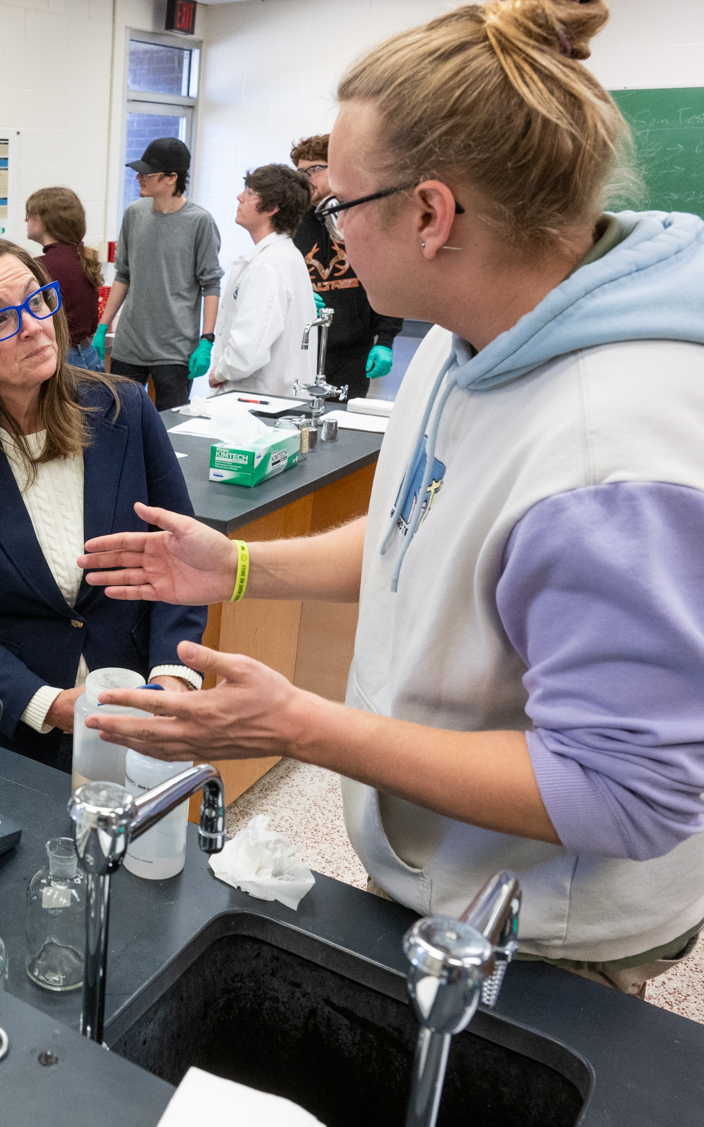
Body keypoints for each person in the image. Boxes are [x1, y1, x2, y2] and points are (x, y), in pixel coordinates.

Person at [77, 0, 704, 996]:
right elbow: (427, 529)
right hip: (437, 875)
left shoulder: (609, 452)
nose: (333, 236)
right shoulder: (472, 337)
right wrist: (241, 564)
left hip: (542, 932)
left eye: (340, 206)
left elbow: (626, 791)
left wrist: (301, 725)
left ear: (429, 213)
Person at [0, 236, 207, 770]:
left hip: (137, 704)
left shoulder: (124, 410)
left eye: (36, 299)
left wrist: (172, 675)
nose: (33, 325)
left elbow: (180, 554)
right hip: (7, 725)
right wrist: (47, 704)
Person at [96, 137, 222, 406]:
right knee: (119, 419)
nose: (139, 177)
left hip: (174, 350)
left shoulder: (200, 221)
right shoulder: (134, 213)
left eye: (146, 173)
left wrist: (206, 341)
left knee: (169, 430)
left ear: (171, 178)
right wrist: (103, 325)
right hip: (129, 344)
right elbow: (123, 274)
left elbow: (211, 284)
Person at [291, 133, 405, 400]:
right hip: (304, 350)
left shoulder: (363, 217)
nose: (305, 178)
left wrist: (386, 341)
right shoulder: (293, 222)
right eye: (300, 172)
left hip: (353, 350)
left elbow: (387, 281)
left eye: (314, 169)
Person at [206, 165, 318, 397]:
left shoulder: (268, 264)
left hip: (257, 400)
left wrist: (220, 373)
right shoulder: (281, 255)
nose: (239, 197)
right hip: (270, 397)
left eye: (249, 193)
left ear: (272, 208)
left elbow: (248, 351)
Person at [26, 186, 104, 372]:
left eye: (29, 214)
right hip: (89, 356)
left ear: (44, 221)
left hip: (63, 360)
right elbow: (92, 323)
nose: (25, 220)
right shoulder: (85, 259)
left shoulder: (39, 267)